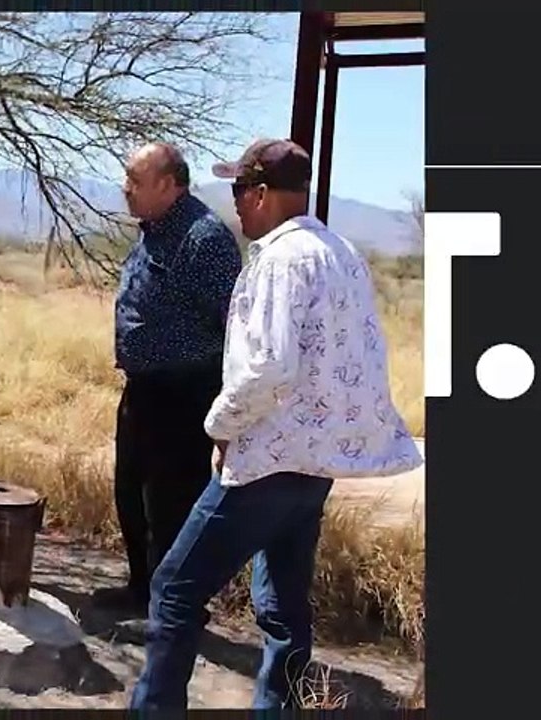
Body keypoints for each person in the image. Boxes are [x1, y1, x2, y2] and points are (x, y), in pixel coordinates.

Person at [129, 139, 423, 710]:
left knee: (174, 589)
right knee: (283, 607)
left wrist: (220, 423)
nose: (234, 203)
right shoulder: (340, 251)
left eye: (240, 190)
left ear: (262, 193)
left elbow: (269, 363)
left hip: (269, 456)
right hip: (316, 460)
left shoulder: (280, 259)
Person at [96, 143, 242, 613]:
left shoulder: (204, 239)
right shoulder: (153, 232)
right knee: (133, 493)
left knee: (171, 503)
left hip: (184, 393)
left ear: (168, 183)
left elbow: (232, 324)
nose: (126, 190)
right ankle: (143, 591)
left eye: (135, 181)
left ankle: (176, 609)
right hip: (144, 389)